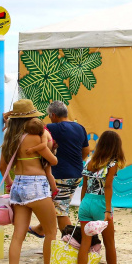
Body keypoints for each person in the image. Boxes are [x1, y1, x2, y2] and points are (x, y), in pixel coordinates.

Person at [0, 99, 59, 264]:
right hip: (37, 185)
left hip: (18, 185)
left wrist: (10, 182)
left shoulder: (9, 138)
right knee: (51, 231)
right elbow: (51, 157)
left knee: (18, 235)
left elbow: (2, 166)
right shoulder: (38, 136)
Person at [77, 130, 131, 264]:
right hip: (101, 204)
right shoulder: (112, 164)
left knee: (84, 244)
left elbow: (84, 186)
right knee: (109, 243)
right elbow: (107, 187)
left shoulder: (89, 162)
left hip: (86, 202)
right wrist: (107, 211)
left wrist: (82, 205)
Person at [29, 101, 89, 238]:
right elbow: (86, 150)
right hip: (77, 173)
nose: (50, 118)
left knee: (61, 210)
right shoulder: (80, 128)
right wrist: (77, 161)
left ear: (53, 115)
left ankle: (72, 242)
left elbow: (32, 131)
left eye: (50, 116)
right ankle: (40, 228)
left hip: (61, 175)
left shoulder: (52, 128)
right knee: (58, 205)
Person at [22, 118, 59, 201]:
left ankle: (54, 189)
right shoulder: (41, 131)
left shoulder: (44, 133)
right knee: (48, 173)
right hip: (46, 153)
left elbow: (43, 145)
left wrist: (33, 149)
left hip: (49, 152)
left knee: (49, 173)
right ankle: (53, 189)